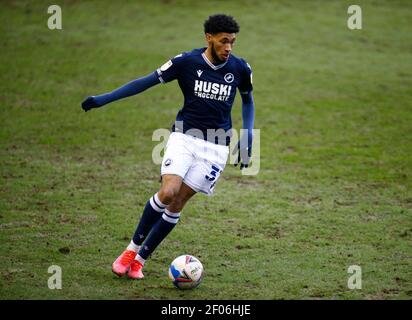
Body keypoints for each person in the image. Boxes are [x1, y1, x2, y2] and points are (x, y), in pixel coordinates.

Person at [81, 14, 255, 279]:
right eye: (223, 42)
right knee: (168, 191)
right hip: (184, 137)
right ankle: (130, 250)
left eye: (232, 42)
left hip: (217, 147)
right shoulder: (186, 62)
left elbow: (248, 100)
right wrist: (105, 98)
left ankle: (140, 261)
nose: (228, 48)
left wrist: (248, 134)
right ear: (209, 38)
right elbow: (144, 82)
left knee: (178, 203)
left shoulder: (240, 68)